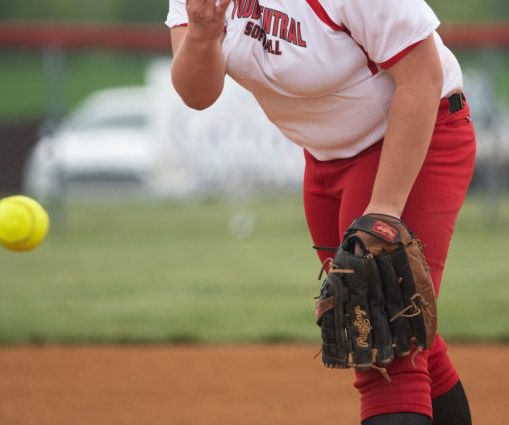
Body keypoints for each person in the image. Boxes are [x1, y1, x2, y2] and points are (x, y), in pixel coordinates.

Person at [166, 0, 475, 424]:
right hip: (326, 160)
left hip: (412, 135)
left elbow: (422, 75)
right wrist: (202, 33)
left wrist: (383, 212)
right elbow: (197, 94)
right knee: (397, 328)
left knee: (384, 346)